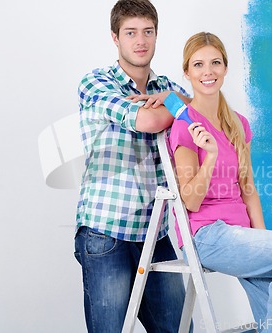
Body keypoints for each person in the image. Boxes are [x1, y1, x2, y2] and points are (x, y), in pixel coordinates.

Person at [168, 32, 272, 333]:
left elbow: (248, 189)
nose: (208, 71)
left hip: (241, 233)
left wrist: (265, 241)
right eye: (199, 65)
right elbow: (189, 200)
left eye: (215, 63)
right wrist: (211, 156)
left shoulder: (238, 123)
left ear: (225, 68)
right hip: (206, 235)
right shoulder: (185, 126)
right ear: (187, 72)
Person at [74, 1, 192, 332]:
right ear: (115, 37)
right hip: (104, 231)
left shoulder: (166, 87)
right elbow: (150, 120)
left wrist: (176, 101)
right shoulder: (96, 83)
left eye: (147, 32)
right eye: (131, 33)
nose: (140, 41)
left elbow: (202, 115)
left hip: (156, 233)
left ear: (156, 35)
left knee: (180, 328)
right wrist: (176, 106)